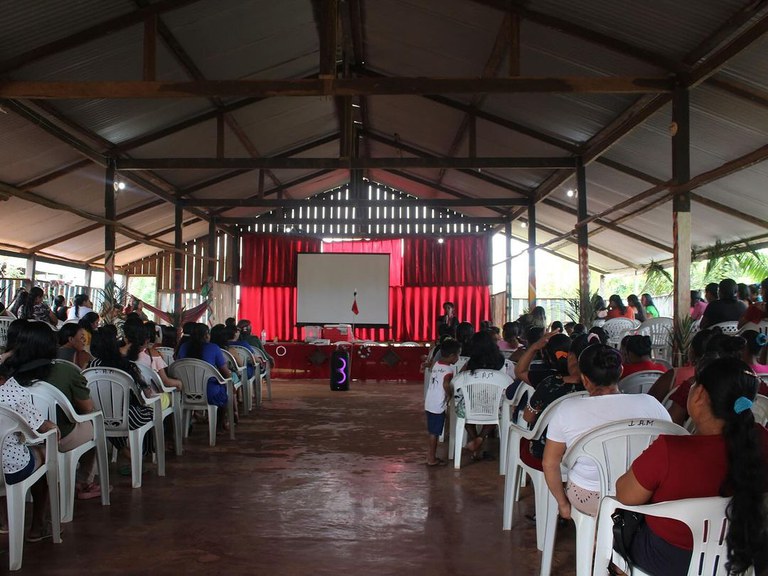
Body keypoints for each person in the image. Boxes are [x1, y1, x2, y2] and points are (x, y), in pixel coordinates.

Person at [614, 358, 768, 575]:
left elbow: (625, 496)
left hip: (670, 559)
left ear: (700, 395)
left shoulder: (670, 450)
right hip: (740, 553)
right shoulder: (762, 439)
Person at [542, 344, 670, 518]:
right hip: (642, 494)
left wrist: (563, 505)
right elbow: (669, 448)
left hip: (589, 496)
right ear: (621, 371)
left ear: (584, 379)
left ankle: (595, 537)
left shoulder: (567, 410)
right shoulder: (651, 404)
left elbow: (549, 464)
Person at [11, 321, 101, 500]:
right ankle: (84, 483)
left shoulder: (9, 372)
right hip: (59, 435)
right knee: (96, 426)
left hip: (18, 438)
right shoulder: (65, 369)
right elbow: (87, 407)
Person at [0, 358, 59, 542]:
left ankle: (3, 522)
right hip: (11, 469)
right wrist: (54, 428)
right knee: (45, 454)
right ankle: (38, 526)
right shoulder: (14, 394)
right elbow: (42, 427)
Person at [518, 334, 589, 472]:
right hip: (588, 450)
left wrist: (533, 347)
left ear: (570, 357)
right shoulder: (600, 388)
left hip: (548, 452)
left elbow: (527, 417)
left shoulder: (549, 384)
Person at [453, 330, 505, 460]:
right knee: (499, 410)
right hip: (493, 406)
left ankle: (474, 438)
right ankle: (480, 438)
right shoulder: (501, 361)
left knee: (461, 409)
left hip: (471, 405)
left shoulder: (471, 363)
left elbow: (457, 380)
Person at [177, 323, 232, 427]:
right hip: (209, 393)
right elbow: (226, 373)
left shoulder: (184, 347)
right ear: (206, 335)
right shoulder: (214, 348)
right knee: (224, 389)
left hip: (185, 392)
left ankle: (190, 423)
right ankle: (220, 425)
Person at [424, 338, 460, 466]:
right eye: (458, 355)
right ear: (451, 356)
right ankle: (431, 458)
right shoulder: (449, 370)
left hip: (430, 401)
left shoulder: (437, 364)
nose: (458, 358)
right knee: (435, 432)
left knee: (432, 431)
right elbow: (445, 384)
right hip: (438, 404)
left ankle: (430, 456)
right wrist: (450, 394)